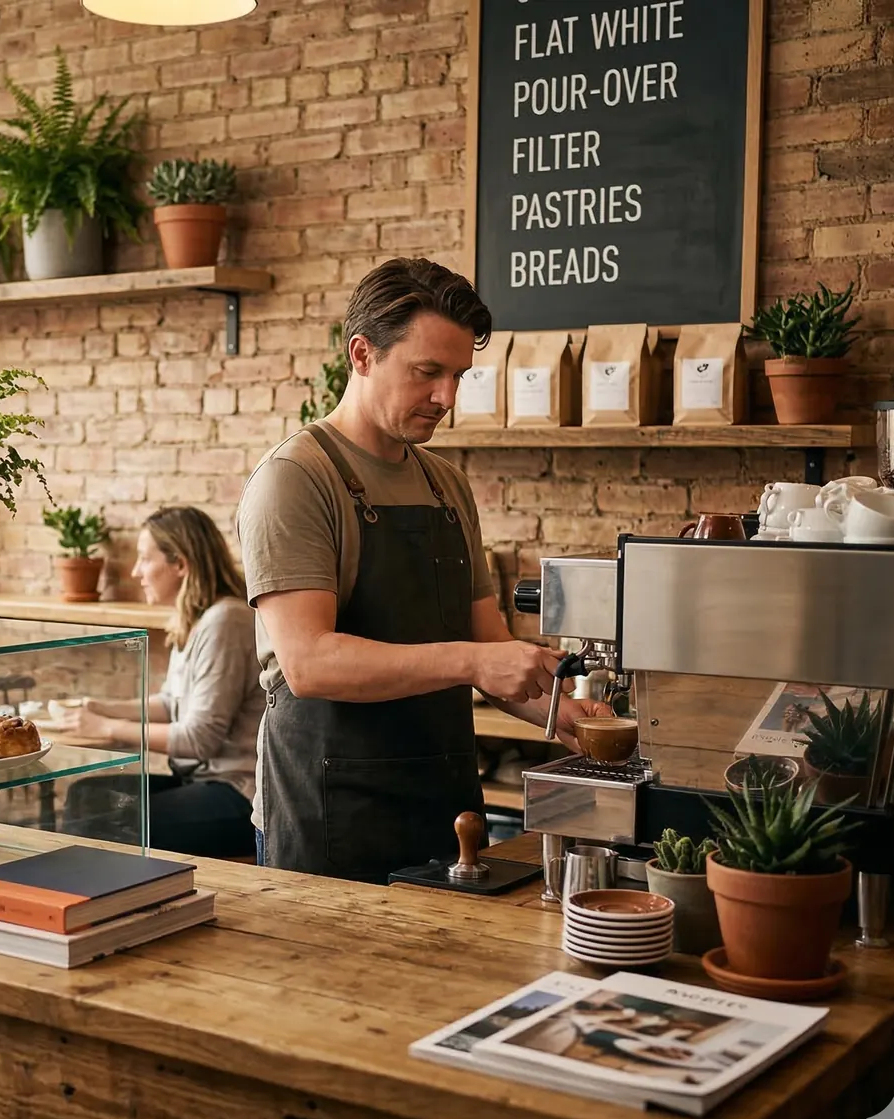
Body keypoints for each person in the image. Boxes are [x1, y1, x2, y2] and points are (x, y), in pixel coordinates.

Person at [237, 258, 608, 882]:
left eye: (459, 375)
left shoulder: (446, 486)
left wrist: (563, 715)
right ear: (362, 355)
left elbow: (489, 647)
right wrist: (472, 662)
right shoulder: (297, 480)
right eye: (427, 372)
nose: (447, 398)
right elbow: (309, 663)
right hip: (330, 813)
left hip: (446, 805)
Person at [59, 507, 264, 858]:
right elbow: (170, 703)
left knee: (99, 817)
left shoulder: (225, 621)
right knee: (85, 796)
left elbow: (198, 739)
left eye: (144, 559)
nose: (136, 572)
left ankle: (109, 903)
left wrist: (107, 726)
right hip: (199, 782)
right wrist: (96, 707)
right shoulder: (195, 618)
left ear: (180, 564)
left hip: (236, 795)